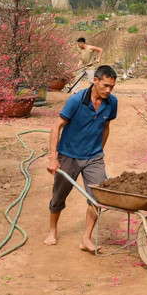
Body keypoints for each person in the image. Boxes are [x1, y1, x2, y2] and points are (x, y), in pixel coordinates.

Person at [45, 65, 118, 251]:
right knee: (58, 195)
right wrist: (53, 158)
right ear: (95, 81)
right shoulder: (76, 101)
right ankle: (52, 230)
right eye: (105, 85)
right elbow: (56, 127)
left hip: (93, 157)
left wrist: (99, 151)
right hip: (69, 155)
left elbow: (106, 126)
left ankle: (86, 239)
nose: (108, 90)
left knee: (97, 197)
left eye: (112, 87)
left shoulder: (112, 103)